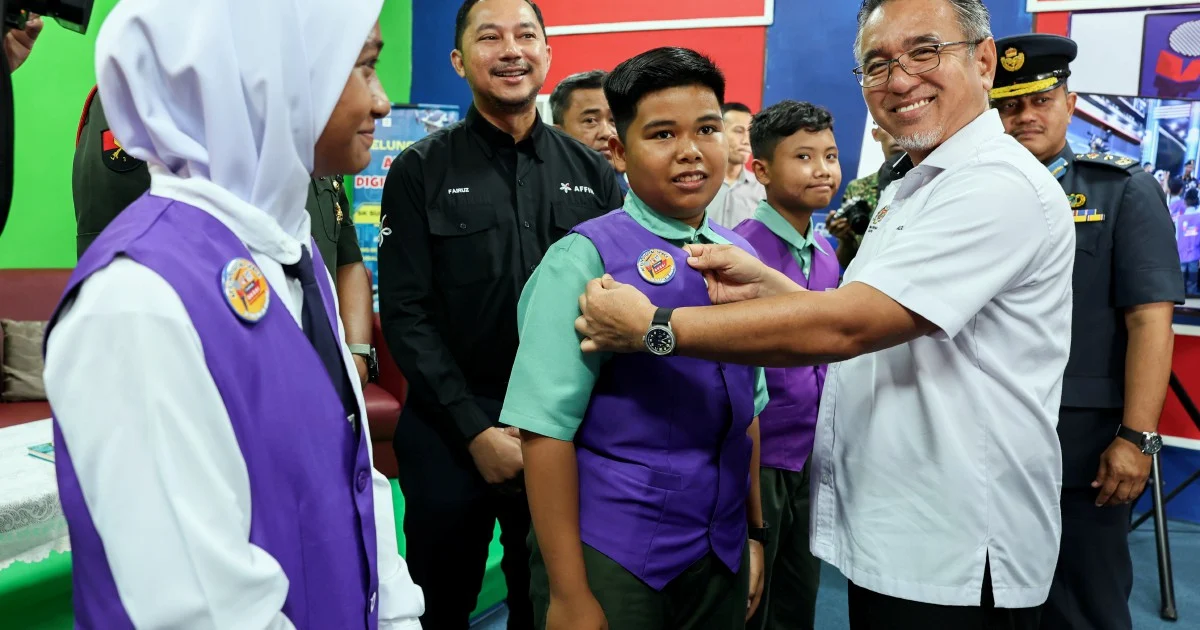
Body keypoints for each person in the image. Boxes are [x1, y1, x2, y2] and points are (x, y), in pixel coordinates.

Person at [572, 0, 1076, 627]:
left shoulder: (995, 185)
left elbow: (849, 325)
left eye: (925, 52)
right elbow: (864, 313)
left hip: (959, 546)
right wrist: (767, 285)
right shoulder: (914, 184)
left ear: (982, 60)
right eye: (877, 64)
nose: (899, 80)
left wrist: (655, 329)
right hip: (901, 527)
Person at [41, 1, 424, 627]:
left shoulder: (292, 256)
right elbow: (202, 610)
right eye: (363, 67)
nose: (381, 102)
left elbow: (355, 476)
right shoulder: (139, 301)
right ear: (274, 79)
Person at [501, 46, 768, 630]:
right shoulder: (583, 258)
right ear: (619, 152)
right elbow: (544, 431)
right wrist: (569, 594)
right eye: (663, 134)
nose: (690, 151)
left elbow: (749, 413)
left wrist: (754, 534)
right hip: (614, 553)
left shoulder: (741, 257)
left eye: (707, 129)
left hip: (720, 548)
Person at [376, 0, 622, 627]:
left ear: (546, 53)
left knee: (545, 604)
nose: (511, 50)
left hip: (562, 427)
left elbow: (610, 302)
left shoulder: (592, 173)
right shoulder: (418, 170)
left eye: (525, 35)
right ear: (460, 61)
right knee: (439, 605)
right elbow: (405, 313)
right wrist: (475, 431)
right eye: (490, 37)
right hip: (451, 428)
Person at [991, 33, 1185, 630]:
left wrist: (1137, 439)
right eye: (1009, 105)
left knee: (1083, 605)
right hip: (987, 436)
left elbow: (1150, 320)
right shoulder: (976, 196)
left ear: (1070, 105)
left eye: (1040, 100)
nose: (1025, 116)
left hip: (1080, 447)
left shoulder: (1122, 190)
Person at [72, 92, 380, 385]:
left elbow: (345, 254)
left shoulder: (303, 109)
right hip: (217, 378)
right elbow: (112, 262)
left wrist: (357, 357)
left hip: (322, 375)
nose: (379, 103)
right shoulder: (148, 92)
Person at [735, 100, 841, 630]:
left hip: (811, 453)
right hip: (761, 454)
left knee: (801, 593)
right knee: (752, 595)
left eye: (830, 155)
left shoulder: (826, 253)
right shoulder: (740, 252)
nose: (822, 170)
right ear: (761, 170)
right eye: (803, 156)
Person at [829, 120, 904, 268]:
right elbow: (847, 262)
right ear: (875, 134)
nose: (896, 133)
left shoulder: (929, 184)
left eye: (903, 126)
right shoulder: (858, 189)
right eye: (888, 126)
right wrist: (845, 239)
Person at [549, 69, 627, 195]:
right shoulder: (544, 190)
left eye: (614, 120)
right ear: (558, 134)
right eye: (590, 120)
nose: (607, 133)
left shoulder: (644, 194)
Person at [709, 102, 766, 229]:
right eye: (739, 131)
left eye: (750, 132)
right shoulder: (697, 184)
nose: (746, 141)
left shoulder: (763, 190)